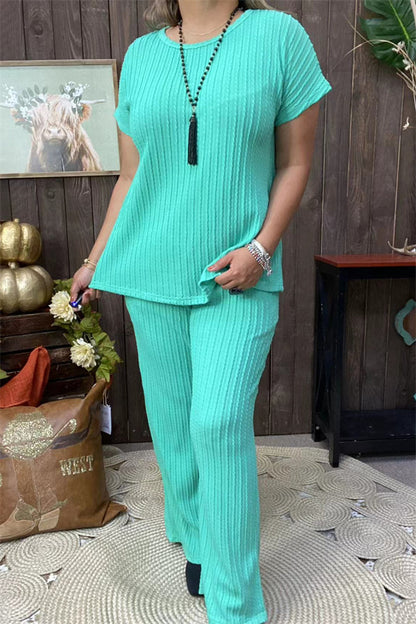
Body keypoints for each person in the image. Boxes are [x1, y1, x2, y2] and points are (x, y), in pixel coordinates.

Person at [70, 1, 332, 622]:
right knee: (173, 428)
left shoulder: (279, 37)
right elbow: (131, 177)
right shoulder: (142, 57)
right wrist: (93, 260)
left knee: (216, 423)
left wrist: (262, 249)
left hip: (237, 275)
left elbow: (295, 162)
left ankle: (236, 605)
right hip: (151, 274)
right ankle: (195, 538)